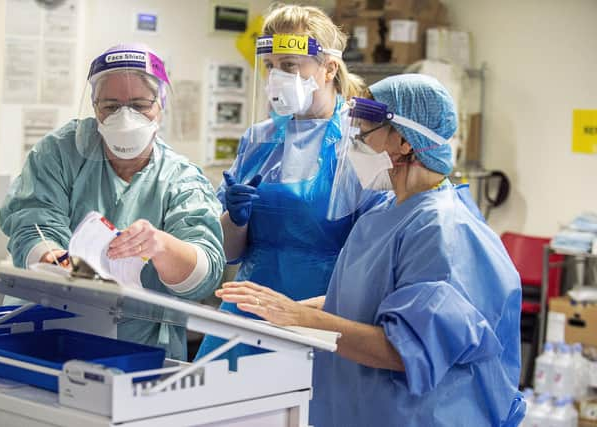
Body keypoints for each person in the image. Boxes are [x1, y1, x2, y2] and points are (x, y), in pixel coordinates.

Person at [215, 75, 526, 426]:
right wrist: (279, 312)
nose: (354, 143)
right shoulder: (384, 212)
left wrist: (302, 318)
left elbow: (404, 348)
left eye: (364, 134)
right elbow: (359, 303)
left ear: (405, 142)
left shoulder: (442, 228)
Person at [0, 43, 225, 360]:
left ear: (160, 105)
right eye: (110, 106)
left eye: (139, 104)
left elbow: (204, 275)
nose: (125, 118)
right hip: (50, 331)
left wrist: (161, 246)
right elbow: (31, 224)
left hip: (139, 350)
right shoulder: (61, 152)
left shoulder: (181, 180)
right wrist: (60, 265)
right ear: (94, 106)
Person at [196, 4, 386, 367]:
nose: (275, 77)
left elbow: (372, 262)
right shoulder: (260, 140)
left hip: (320, 317)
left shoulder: (360, 143)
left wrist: (304, 314)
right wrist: (235, 218)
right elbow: (230, 252)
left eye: (289, 66)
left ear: (329, 68)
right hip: (248, 311)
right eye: (270, 66)